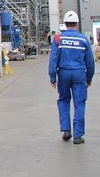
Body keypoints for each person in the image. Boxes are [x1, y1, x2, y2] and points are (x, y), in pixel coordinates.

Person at [49, 10, 95, 144]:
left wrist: (53, 77)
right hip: (79, 74)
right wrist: (89, 78)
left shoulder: (58, 38)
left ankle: (66, 130)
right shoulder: (83, 39)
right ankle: (78, 135)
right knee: (79, 103)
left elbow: (53, 59)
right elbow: (90, 62)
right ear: (76, 23)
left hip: (63, 73)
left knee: (63, 101)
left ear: (65, 23)